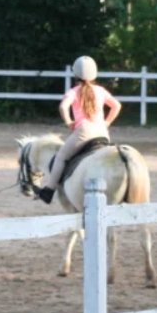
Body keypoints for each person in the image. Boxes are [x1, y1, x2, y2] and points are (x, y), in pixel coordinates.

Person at [36, 56, 122, 204]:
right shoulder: (100, 90)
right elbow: (116, 106)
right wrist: (107, 122)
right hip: (102, 132)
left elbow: (63, 106)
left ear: (75, 74)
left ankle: (49, 190)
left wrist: (69, 121)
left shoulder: (74, 91)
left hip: (84, 131)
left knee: (61, 157)